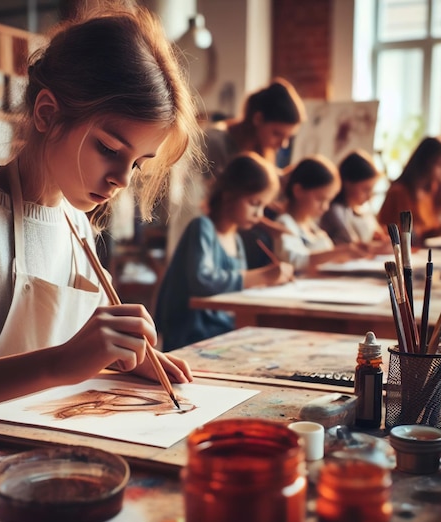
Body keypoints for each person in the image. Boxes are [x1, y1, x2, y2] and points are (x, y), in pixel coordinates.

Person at [0, 4, 203, 426]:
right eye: (108, 149)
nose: (122, 179)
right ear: (48, 114)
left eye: (138, 163)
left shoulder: (77, 222)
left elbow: (75, 345)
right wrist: (59, 364)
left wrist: (118, 355)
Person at [155, 152, 294, 352]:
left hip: (221, 328)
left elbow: (237, 291)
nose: (259, 214)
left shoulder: (236, 238)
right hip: (192, 334)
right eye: (254, 204)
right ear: (230, 195)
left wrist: (264, 283)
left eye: (263, 206)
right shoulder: (202, 227)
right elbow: (202, 281)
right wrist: (262, 275)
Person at [166, 77, 306, 262]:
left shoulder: (258, 152)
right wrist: (270, 227)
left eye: (289, 137)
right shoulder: (214, 142)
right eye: (277, 134)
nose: (283, 144)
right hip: (202, 228)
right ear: (258, 118)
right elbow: (218, 201)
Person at [273, 155, 368, 271]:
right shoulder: (284, 223)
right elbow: (294, 260)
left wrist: (350, 252)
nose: (325, 207)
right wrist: (339, 251)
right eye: (320, 199)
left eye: (328, 201)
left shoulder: (310, 225)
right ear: (298, 191)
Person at [377, 136, 441, 244]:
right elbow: (402, 236)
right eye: (440, 165)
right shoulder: (399, 193)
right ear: (426, 162)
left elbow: (427, 234)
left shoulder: (430, 192)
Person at [320, 149, 387, 245]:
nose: (369, 196)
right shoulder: (335, 211)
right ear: (348, 183)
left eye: (371, 190)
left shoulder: (363, 210)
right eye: (365, 190)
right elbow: (353, 246)